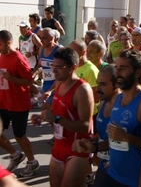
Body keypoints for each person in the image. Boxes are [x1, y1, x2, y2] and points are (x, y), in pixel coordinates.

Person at [73, 50, 141, 186]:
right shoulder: (117, 100)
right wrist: (93, 146)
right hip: (110, 172)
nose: (118, 72)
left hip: (134, 179)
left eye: (123, 68)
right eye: (117, 68)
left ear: (138, 72)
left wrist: (127, 137)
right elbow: (114, 139)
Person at [39, 47, 94, 186]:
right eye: (53, 65)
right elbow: (58, 111)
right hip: (59, 145)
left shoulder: (82, 89)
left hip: (77, 149)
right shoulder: (59, 83)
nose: (54, 70)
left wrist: (56, 119)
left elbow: (85, 127)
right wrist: (43, 116)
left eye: (59, 67)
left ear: (73, 67)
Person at [0, 30, 40, 177]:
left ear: (8, 43)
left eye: (0, 44)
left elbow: (29, 81)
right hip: (3, 102)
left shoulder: (18, 59)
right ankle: (15, 154)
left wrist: (11, 78)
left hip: (18, 104)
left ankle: (32, 162)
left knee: (19, 136)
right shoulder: (2, 56)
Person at [91, 65, 119, 185]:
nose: (97, 89)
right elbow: (103, 135)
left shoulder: (122, 108)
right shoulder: (102, 104)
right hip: (103, 168)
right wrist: (92, 142)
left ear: (116, 84)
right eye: (98, 83)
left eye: (103, 84)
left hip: (120, 171)